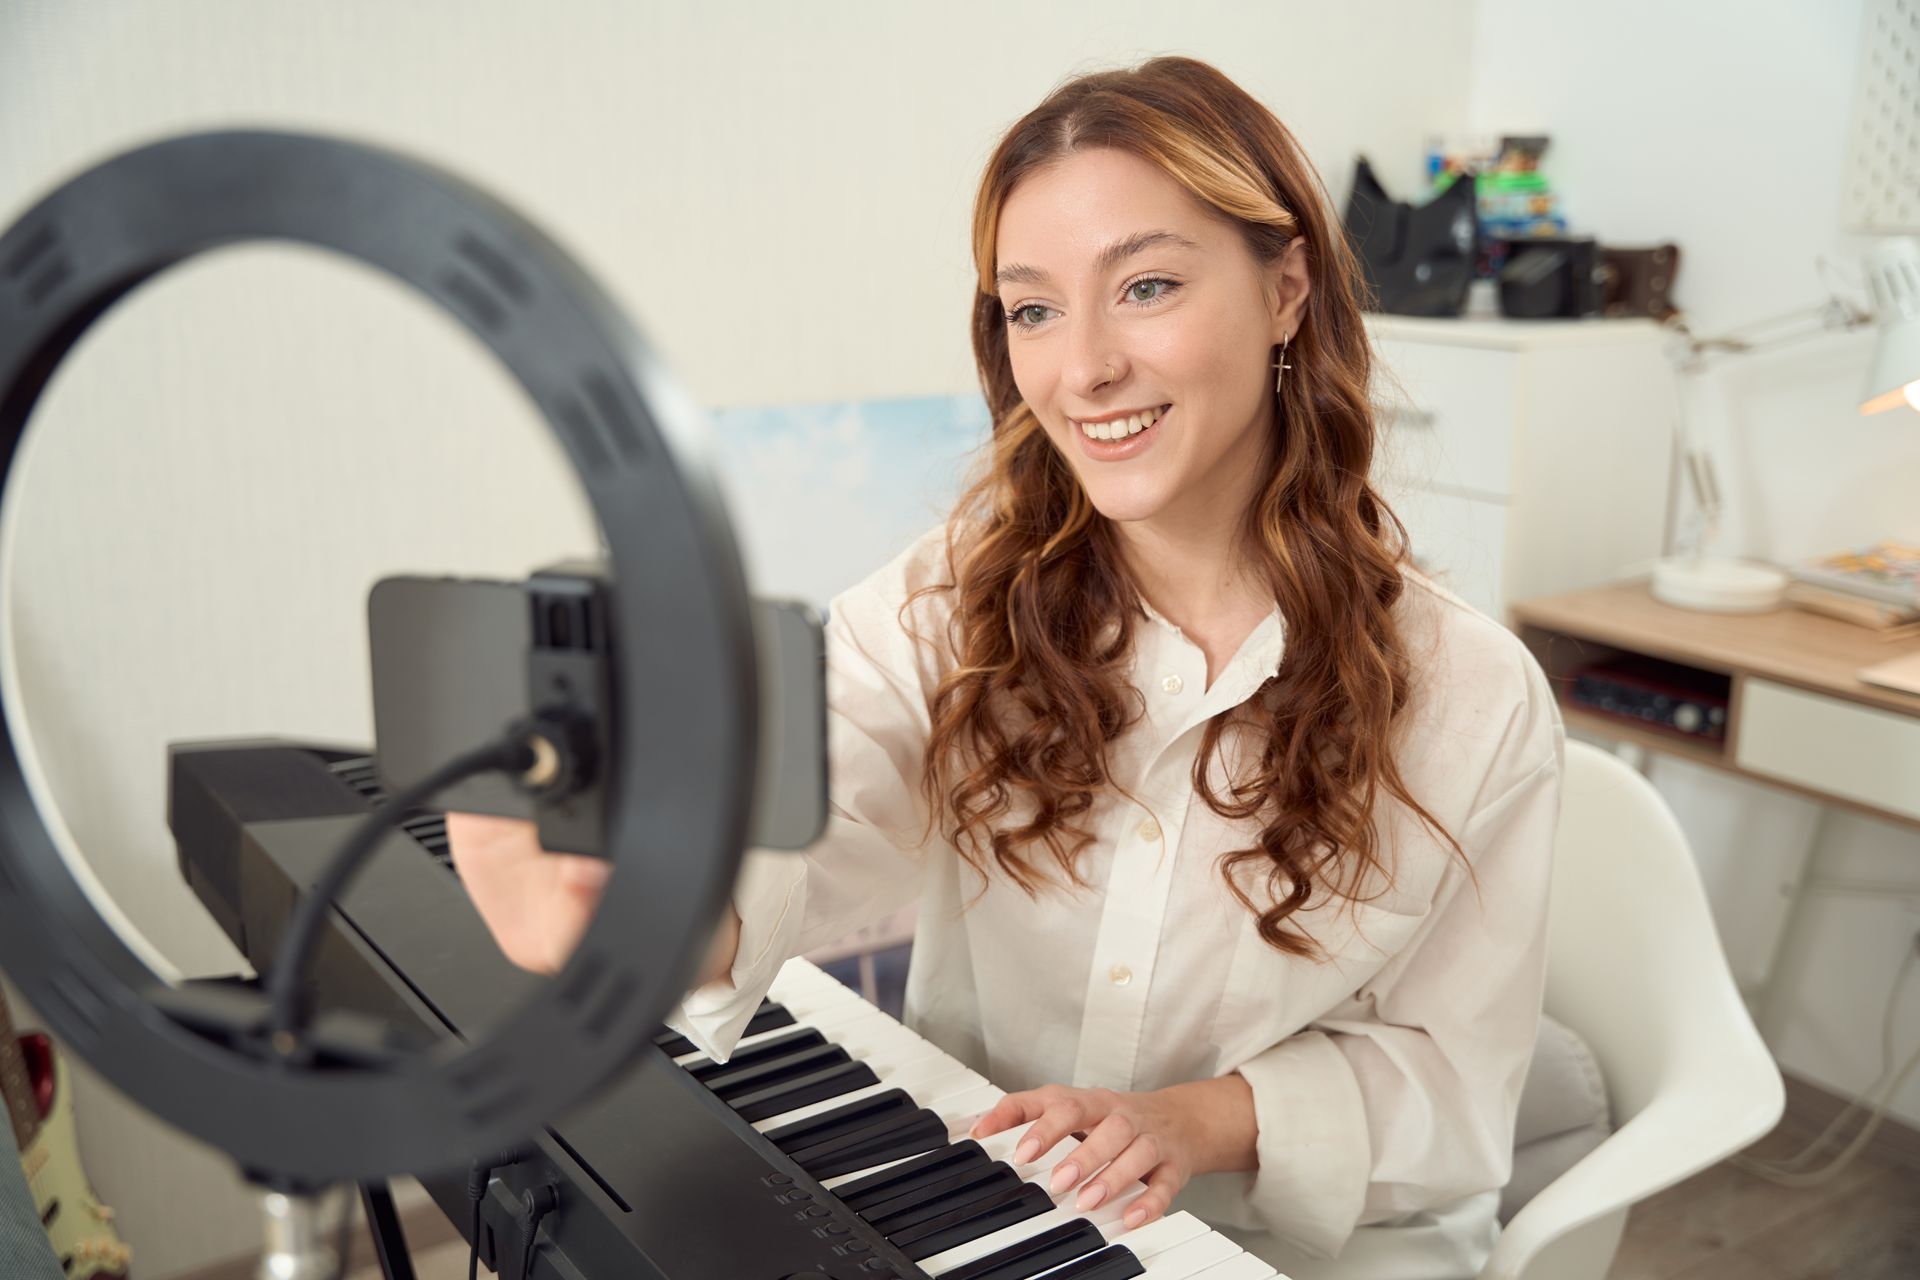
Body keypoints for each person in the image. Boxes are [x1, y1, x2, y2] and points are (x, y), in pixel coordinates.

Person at [448, 55, 1563, 1280]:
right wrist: (650, 904)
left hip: (1308, 1250)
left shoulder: (1475, 695)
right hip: (989, 1196)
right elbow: (814, 778)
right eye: (1032, 308)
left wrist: (1196, 1118)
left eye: (1144, 286)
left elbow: (1451, 1086)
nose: (1082, 370)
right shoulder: (958, 596)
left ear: (1286, 286)